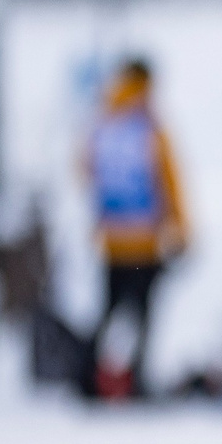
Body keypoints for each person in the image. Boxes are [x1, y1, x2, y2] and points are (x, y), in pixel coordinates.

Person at [83, 59, 189, 399]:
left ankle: (91, 376)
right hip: (144, 240)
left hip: (112, 240)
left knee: (108, 312)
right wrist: (181, 228)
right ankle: (138, 379)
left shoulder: (104, 123)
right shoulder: (149, 127)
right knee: (142, 316)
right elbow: (169, 179)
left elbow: (85, 170)